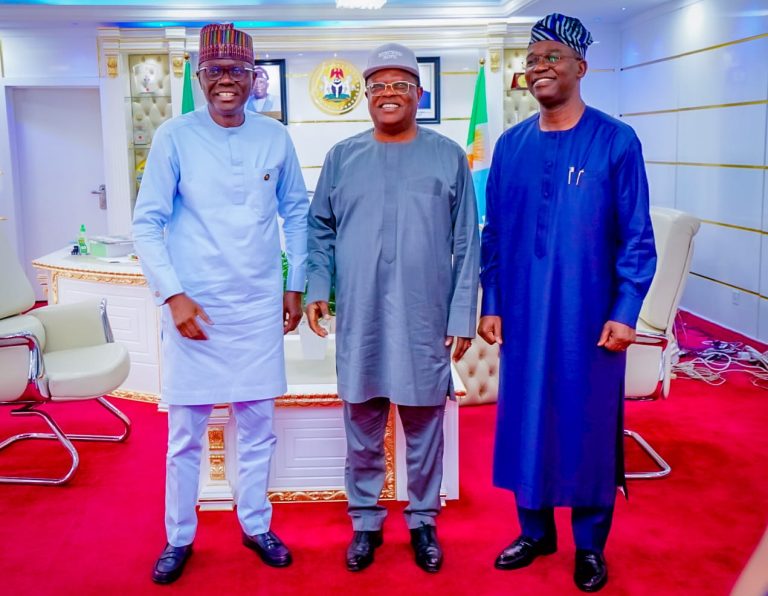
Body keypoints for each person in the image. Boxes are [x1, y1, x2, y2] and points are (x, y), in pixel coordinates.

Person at [478, 13, 656, 593]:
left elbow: (636, 237)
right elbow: (494, 235)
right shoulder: (510, 146)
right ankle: (535, 532)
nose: (539, 68)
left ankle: (589, 545)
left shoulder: (615, 141)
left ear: (581, 66)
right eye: (531, 60)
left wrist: (625, 311)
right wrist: (492, 301)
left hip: (590, 318)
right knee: (526, 419)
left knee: (587, 425)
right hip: (524, 316)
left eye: (551, 57)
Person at [132, 23, 308, 584]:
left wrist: (296, 284)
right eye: (214, 71)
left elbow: (296, 213)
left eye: (236, 71)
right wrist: (173, 294)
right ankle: (179, 537)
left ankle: (256, 525)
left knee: (258, 429)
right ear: (199, 76)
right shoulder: (174, 136)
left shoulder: (275, 137)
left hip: (257, 308)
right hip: (195, 312)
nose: (225, 81)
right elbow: (147, 222)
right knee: (185, 436)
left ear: (255, 78)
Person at [305, 43, 479, 574]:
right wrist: (317, 287)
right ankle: (365, 522)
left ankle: (423, 521)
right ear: (365, 95)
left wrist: (461, 314)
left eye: (400, 85)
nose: (388, 94)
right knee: (362, 426)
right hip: (360, 317)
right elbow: (319, 228)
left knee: (425, 428)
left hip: (425, 318)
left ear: (419, 94)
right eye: (378, 85)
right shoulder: (342, 156)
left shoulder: (448, 155)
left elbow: (468, 241)